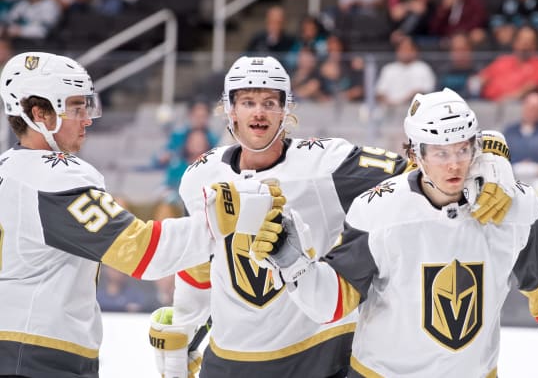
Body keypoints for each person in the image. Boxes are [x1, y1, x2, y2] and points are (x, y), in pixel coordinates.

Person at [151, 58, 515, 378]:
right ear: (229, 110)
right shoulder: (200, 175)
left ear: (286, 110)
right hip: (231, 357)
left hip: (318, 354)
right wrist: (183, 326)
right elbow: (201, 261)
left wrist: (489, 153)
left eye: (269, 103)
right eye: (247, 102)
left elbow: (425, 163)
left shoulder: (328, 163)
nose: (258, 113)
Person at [250, 88, 538, 378]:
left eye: (463, 149)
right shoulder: (378, 211)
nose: (453, 164)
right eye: (440, 152)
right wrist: (292, 263)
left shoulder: (514, 206)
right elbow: (336, 301)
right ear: (416, 154)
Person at [0, 52, 278, 378]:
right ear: (39, 114)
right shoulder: (51, 177)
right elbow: (143, 252)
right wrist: (222, 217)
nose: (87, 118)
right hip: (34, 358)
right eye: (75, 107)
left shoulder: (11, 169)